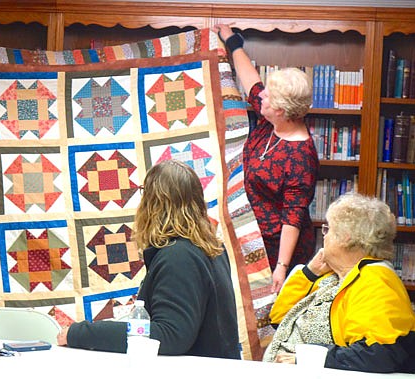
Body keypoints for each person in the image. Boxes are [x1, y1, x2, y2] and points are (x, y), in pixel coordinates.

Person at [57, 159, 240, 358]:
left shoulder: (178, 257)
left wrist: (80, 334)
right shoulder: (211, 247)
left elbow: (170, 336)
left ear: (153, 203)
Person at [212, 24, 320, 293]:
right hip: (249, 235)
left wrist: (281, 267)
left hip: (276, 249)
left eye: (268, 97)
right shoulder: (267, 118)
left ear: (282, 110)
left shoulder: (301, 157)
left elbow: (293, 217)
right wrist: (232, 42)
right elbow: (251, 80)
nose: (261, 96)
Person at [267, 193, 415, 373]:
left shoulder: (375, 278)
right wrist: (309, 274)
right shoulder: (332, 274)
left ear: (345, 236)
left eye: (327, 229)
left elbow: (380, 353)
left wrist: (307, 359)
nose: (325, 236)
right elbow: (279, 319)